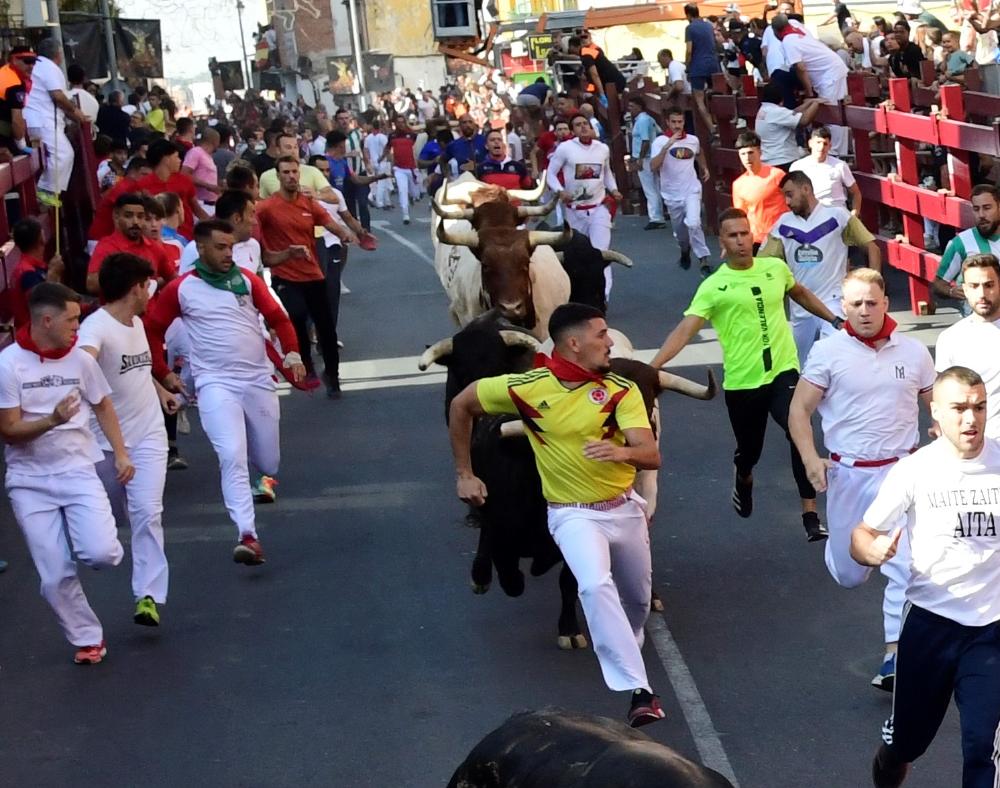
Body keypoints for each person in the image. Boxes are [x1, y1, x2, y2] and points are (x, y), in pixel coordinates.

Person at [448, 302, 667, 728]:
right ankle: (640, 692)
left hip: (623, 509)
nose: (610, 342)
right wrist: (464, 473)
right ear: (573, 343)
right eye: (602, 334)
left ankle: (626, 641)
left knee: (637, 602)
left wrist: (620, 451)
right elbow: (461, 405)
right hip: (572, 514)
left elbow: (651, 454)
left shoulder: (621, 390)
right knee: (593, 584)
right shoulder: (525, 387)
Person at [851, 366, 1000, 788]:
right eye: (959, 408)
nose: (971, 419)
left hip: (991, 631)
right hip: (931, 626)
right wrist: (871, 551)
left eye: (979, 407)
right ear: (934, 411)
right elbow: (861, 535)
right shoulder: (915, 470)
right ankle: (892, 760)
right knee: (906, 745)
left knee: (981, 746)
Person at [651, 208, 839, 541]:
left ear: (753, 235)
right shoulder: (714, 287)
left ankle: (810, 514)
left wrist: (836, 321)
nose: (741, 241)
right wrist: (653, 367)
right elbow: (685, 330)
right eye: (732, 236)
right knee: (749, 450)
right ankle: (744, 474)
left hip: (784, 371)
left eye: (744, 233)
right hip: (743, 382)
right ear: (721, 241)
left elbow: (801, 295)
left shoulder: (775, 269)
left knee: (800, 430)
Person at [789, 268, 935, 692]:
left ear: (887, 303)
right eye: (856, 304)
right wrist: (810, 459)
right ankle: (841, 553)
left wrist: (941, 429)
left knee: (906, 568)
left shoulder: (914, 353)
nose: (865, 311)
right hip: (849, 474)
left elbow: (935, 403)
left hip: (902, 471)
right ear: (843, 308)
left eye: (873, 302)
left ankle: (894, 655)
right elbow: (798, 411)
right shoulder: (828, 353)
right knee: (851, 575)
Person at [145, 220, 305, 565]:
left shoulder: (247, 281)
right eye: (220, 247)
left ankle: (257, 464)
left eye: (230, 247)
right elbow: (152, 329)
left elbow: (278, 317)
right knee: (230, 455)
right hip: (215, 384)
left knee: (268, 461)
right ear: (200, 249)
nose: (227, 254)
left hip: (257, 381)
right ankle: (247, 535)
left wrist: (291, 352)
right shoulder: (181, 288)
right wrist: (162, 374)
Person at [0, 283, 133, 663]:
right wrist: (52, 420)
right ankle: (88, 639)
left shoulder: (81, 361)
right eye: (72, 319)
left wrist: (120, 454)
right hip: (29, 482)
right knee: (54, 574)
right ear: (47, 320)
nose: (79, 326)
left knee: (103, 554)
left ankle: (84, 538)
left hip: (77, 471)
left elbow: (103, 405)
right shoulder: (9, 364)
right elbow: (8, 430)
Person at [79, 253, 176, 628]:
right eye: (148, 284)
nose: (151, 290)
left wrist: (159, 388)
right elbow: (83, 361)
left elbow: (136, 370)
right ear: (136, 287)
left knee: (147, 513)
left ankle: (148, 595)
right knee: (113, 520)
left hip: (149, 436)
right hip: (104, 444)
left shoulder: (137, 322)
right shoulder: (95, 329)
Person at [256, 156, 355, 397]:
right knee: (297, 316)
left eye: (294, 172)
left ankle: (333, 376)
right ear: (278, 176)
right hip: (284, 275)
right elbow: (251, 227)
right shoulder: (267, 207)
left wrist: (344, 233)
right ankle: (308, 365)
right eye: (286, 172)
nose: (291, 176)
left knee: (327, 328)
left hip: (312, 274)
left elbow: (329, 222)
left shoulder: (308, 203)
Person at [758, 170, 881, 364]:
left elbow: (872, 248)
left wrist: (874, 287)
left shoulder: (838, 216)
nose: (787, 202)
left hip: (833, 302)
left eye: (790, 195)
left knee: (834, 360)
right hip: (800, 307)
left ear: (806, 189)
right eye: (784, 197)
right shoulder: (783, 224)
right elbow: (762, 264)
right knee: (802, 367)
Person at [546, 114, 621, 298]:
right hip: (574, 212)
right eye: (578, 125)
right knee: (578, 255)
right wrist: (560, 191)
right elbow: (550, 174)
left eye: (585, 124)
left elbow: (607, 173)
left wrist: (614, 189)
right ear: (573, 131)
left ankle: (603, 296)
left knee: (600, 253)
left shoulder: (602, 148)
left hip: (598, 208)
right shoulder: (565, 149)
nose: (583, 127)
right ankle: (581, 293)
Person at [935, 253, 1000, 439]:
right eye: (974, 286)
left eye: (989, 285)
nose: (982, 294)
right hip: (973, 445)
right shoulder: (950, 338)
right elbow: (943, 396)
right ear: (964, 289)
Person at [772, 13, 850, 156]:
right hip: (830, 70)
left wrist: (809, 93)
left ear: (776, 31)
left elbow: (800, 67)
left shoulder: (788, 41)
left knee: (833, 115)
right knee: (834, 113)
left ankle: (837, 153)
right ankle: (838, 152)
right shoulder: (796, 28)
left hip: (828, 75)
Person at [24, 39, 87, 203]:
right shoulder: (49, 67)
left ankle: (47, 191)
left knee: (48, 158)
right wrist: (76, 112)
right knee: (64, 154)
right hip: (43, 121)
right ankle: (45, 191)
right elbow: (58, 96)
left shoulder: (35, 66)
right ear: (58, 54)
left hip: (33, 120)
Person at [649, 106, 710, 274]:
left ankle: (703, 258)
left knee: (694, 222)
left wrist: (704, 167)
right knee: (681, 233)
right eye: (674, 122)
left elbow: (699, 152)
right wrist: (667, 147)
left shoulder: (692, 140)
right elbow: (653, 166)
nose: (677, 125)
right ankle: (685, 250)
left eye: (680, 121)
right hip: (671, 194)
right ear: (668, 122)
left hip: (691, 189)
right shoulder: (660, 142)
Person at [86, 193, 174, 296]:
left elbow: (173, 278)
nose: (135, 222)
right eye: (128, 216)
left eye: (140, 216)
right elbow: (91, 285)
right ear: (116, 216)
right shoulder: (106, 247)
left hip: (153, 310)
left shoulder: (154, 248)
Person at [933, 185, 1000, 309]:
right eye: (976, 209)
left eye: (987, 208)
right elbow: (938, 284)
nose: (981, 215)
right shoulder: (961, 242)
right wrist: (951, 291)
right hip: (978, 320)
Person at [135, 139, 209, 240]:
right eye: (176, 157)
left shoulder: (184, 180)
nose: (180, 160)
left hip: (186, 236)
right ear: (166, 159)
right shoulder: (143, 185)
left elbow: (196, 209)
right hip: (158, 238)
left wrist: (211, 224)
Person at [731, 131, 787, 248]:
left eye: (751, 153)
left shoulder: (777, 175)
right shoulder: (738, 184)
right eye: (743, 154)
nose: (747, 158)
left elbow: (793, 202)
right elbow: (741, 216)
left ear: (760, 152)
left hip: (781, 236)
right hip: (756, 240)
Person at [789, 126, 862, 212]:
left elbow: (856, 193)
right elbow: (790, 194)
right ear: (810, 143)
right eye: (818, 142)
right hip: (810, 214)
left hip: (836, 213)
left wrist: (853, 216)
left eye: (825, 144)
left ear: (830, 146)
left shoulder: (840, 165)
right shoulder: (797, 166)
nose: (821, 147)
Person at [8, 217, 64, 329]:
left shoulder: (26, 268)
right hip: (36, 335)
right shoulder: (29, 274)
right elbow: (42, 306)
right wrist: (53, 276)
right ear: (41, 239)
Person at [754, 82, 823, 170]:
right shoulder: (776, 112)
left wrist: (808, 103)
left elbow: (791, 113)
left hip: (769, 159)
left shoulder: (764, 110)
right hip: (783, 160)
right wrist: (816, 103)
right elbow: (804, 121)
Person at [627, 96, 665, 231]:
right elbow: (659, 132)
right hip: (652, 155)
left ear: (639, 107)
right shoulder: (649, 119)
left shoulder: (642, 121)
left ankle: (655, 217)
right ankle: (659, 213)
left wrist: (639, 158)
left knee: (649, 188)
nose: (629, 109)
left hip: (646, 157)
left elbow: (645, 140)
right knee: (656, 186)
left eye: (632, 106)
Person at [683, 4, 722, 134]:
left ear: (688, 15)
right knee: (717, 94)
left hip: (698, 66)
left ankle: (711, 129)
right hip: (713, 64)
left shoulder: (690, 28)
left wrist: (687, 65)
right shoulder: (708, 26)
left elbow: (689, 50)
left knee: (699, 99)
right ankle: (720, 121)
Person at [566, 35, 626, 100]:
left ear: (572, 47)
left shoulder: (586, 55)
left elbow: (594, 74)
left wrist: (602, 94)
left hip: (613, 83)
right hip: (613, 81)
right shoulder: (588, 51)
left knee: (615, 104)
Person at [383, 116, 418, 225]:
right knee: (402, 190)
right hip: (399, 168)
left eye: (403, 122)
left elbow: (417, 146)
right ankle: (405, 214)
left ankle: (412, 196)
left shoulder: (412, 135)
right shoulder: (392, 136)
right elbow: (387, 148)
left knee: (415, 193)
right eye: (398, 122)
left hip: (411, 168)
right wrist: (382, 158)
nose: (401, 124)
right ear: (395, 124)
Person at [181, 127, 221, 214]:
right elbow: (184, 174)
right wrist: (208, 186)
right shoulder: (196, 152)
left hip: (211, 205)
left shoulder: (208, 156)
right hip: (201, 204)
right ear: (214, 141)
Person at [364, 119, 391, 209]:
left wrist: (368, 161)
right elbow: (387, 149)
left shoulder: (368, 138)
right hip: (382, 161)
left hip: (372, 161)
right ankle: (379, 202)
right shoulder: (383, 137)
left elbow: (366, 150)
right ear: (380, 127)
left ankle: (387, 201)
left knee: (377, 181)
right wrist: (382, 158)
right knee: (382, 182)